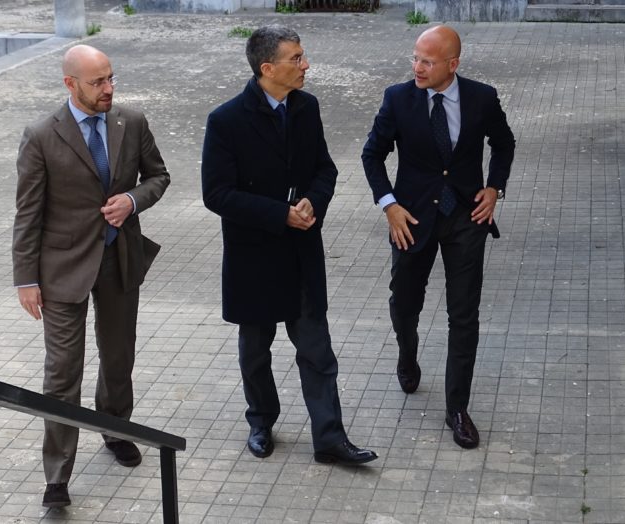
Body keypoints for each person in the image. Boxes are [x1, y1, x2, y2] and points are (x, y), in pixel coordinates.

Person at [201, 25, 377, 466]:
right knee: (255, 352)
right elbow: (217, 194)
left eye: (302, 56)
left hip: (300, 252)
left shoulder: (306, 107)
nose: (306, 65)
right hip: (254, 257)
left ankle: (330, 439)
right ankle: (261, 421)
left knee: (317, 349)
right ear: (267, 68)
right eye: (296, 58)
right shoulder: (226, 120)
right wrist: (280, 214)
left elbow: (325, 169)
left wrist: (313, 201)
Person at [12, 44, 170, 508]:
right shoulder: (41, 135)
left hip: (119, 259)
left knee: (118, 358)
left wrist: (132, 201)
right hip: (62, 270)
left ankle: (115, 430)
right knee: (63, 373)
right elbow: (28, 214)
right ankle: (57, 475)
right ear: (70, 84)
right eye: (97, 81)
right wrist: (26, 280)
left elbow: (158, 176)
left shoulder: (131, 122)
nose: (108, 88)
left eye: (111, 78)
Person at [362, 25, 515, 449]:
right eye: (415, 58)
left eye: (427, 61)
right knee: (404, 303)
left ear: (453, 64)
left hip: (466, 216)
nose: (417, 67)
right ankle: (407, 355)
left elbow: (504, 144)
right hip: (410, 219)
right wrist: (389, 205)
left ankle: (457, 408)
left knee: (464, 315)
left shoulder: (482, 97)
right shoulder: (398, 98)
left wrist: (494, 188)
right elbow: (372, 154)